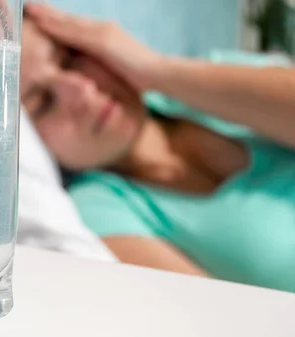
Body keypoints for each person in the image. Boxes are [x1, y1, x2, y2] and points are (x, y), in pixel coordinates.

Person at [20, 7, 295, 292]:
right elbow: (216, 318)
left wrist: (157, 69)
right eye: (43, 103)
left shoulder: (206, 83)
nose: (82, 92)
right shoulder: (100, 212)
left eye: (71, 59)